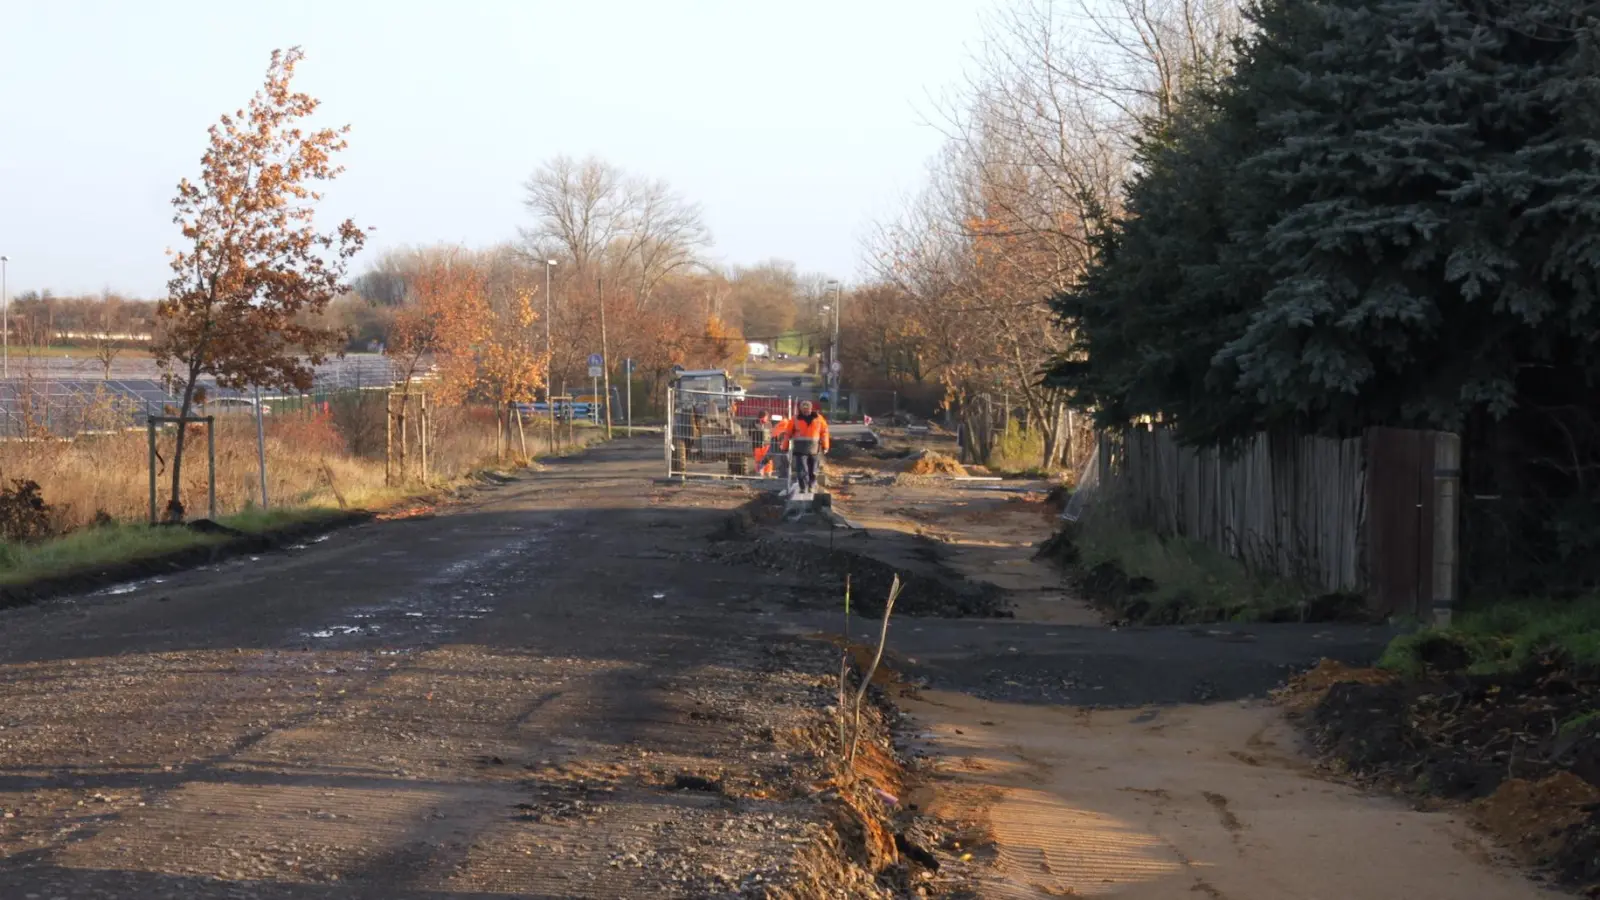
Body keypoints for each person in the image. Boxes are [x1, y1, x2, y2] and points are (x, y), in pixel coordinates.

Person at [783, 400, 830, 494]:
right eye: (804, 409)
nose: (806, 411)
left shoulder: (819, 418)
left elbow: (824, 433)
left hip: (814, 449)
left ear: (811, 408)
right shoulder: (795, 419)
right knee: (802, 470)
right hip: (800, 449)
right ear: (800, 409)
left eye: (807, 409)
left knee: (813, 470)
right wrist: (785, 446)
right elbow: (788, 434)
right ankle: (803, 487)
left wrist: (825, 446)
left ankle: (811, 486)